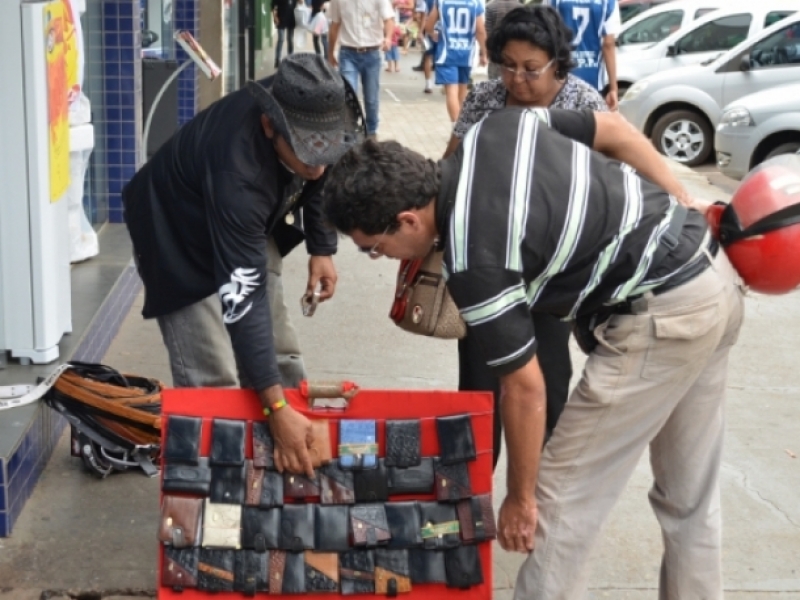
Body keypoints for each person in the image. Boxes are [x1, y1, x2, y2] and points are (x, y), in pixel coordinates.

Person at [323, 109, 743, 599]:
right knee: (689, 497)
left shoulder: (475, 260)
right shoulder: (496, 128)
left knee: (560, 499)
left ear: (407, 220)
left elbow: (524, 388)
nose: (386, 259)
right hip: (711, 273)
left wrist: (520, 498)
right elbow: (613, 127)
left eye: (375, 248)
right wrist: (680, 199)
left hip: (661, 319)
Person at [123, 54, 364, 477]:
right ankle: (224, 485)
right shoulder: (239, 173)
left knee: (280, 349)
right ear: (270, 126)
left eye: (325, 151)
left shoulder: (314, 102)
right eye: (307, 155)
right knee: (211, 373)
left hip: (244, 217)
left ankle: (291, 447)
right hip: (175, 229)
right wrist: (273, 407)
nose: (319, 167)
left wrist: (322, 247)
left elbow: (325, 170)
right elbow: (243, 301)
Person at [445, 4, 609, 465]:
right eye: (508, 66)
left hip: (555, 273)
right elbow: (452, 164)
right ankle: (471, 493)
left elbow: (610, 180)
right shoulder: (484, 99)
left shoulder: (582, 103)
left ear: (558, 62)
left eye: (531, 69)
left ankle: (540, 496)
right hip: (486, 264)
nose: (517, 79)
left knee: (550, 383)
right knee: (479, 391)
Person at [327, 0, 395, 138]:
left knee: (371, 98)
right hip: (348, 54)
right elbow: (334, 25)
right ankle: (350, 134)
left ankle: (371, 133)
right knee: (348, 96)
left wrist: (388, 38)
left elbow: (389, 20)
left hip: (372, 54)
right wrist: (330, 54)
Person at [545, 0, 621, 110]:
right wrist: (613, 88)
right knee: (590, 123)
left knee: (561, 123)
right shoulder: (608, 2)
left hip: (561, 78)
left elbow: (546, 34)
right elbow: (608, 44)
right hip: (592, 81)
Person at [424, 0, 487, 122]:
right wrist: (484, 53)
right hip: (466, 53)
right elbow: (480, 30)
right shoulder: (475, 3)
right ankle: (463, 126)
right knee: (462, 92)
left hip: (447, 53)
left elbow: (429, 25)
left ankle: (457, 130)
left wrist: (432, 33)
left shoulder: (442, 2)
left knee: (451, 92)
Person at [484, 0, 521, 79]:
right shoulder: (519, 7)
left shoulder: (490, 6)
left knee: (494, 82)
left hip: (496, 51)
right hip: (516, 51)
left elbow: (487, 32)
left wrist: (485, 53)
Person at [273, 0, 298, 68]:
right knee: (281, 39)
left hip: (291, 19)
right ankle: (277, 59)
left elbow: (296, 6)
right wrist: (275, 17)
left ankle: (290, 58)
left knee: (290, 40)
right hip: (280, 19)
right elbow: (274, 6)